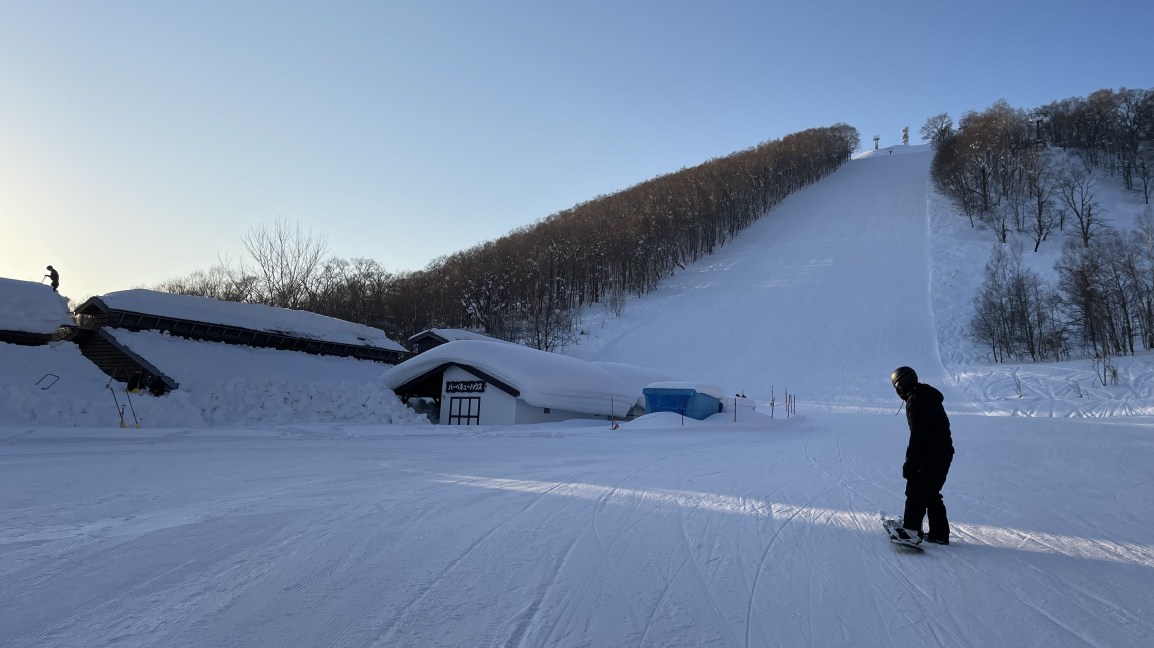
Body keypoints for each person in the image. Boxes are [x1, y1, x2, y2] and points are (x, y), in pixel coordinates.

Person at [891, 366, 954, 545]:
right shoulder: (927, 395)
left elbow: (918, 435)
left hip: (931, 455)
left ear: (900, 386)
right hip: (943, 453)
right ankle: (939, 534)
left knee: (915, 491)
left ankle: (911, 532)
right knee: (931, 492)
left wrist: (911, 463)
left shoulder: (916, 399)